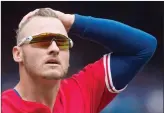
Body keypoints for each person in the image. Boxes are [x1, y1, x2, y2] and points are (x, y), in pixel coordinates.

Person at [2, 8, 157, 113]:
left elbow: (143, 47)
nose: (55, 48)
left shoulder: (81, 90)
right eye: (42, 40)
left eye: (62, 41)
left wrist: (72, 21)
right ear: (18, 54)